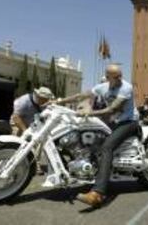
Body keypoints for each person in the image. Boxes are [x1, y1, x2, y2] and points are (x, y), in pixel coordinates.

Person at [57, 64, 137, 207]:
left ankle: (97, 194)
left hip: (128, 122)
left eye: (120, 75)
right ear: (107, 78)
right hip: (112, 123)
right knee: (92, 140)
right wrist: (59, 101)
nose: (120, 78)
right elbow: (81, 95)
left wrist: (88, 113)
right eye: (116, 76)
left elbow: (113, 109)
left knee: (107, 147)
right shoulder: (103, 87)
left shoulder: (126, 87)